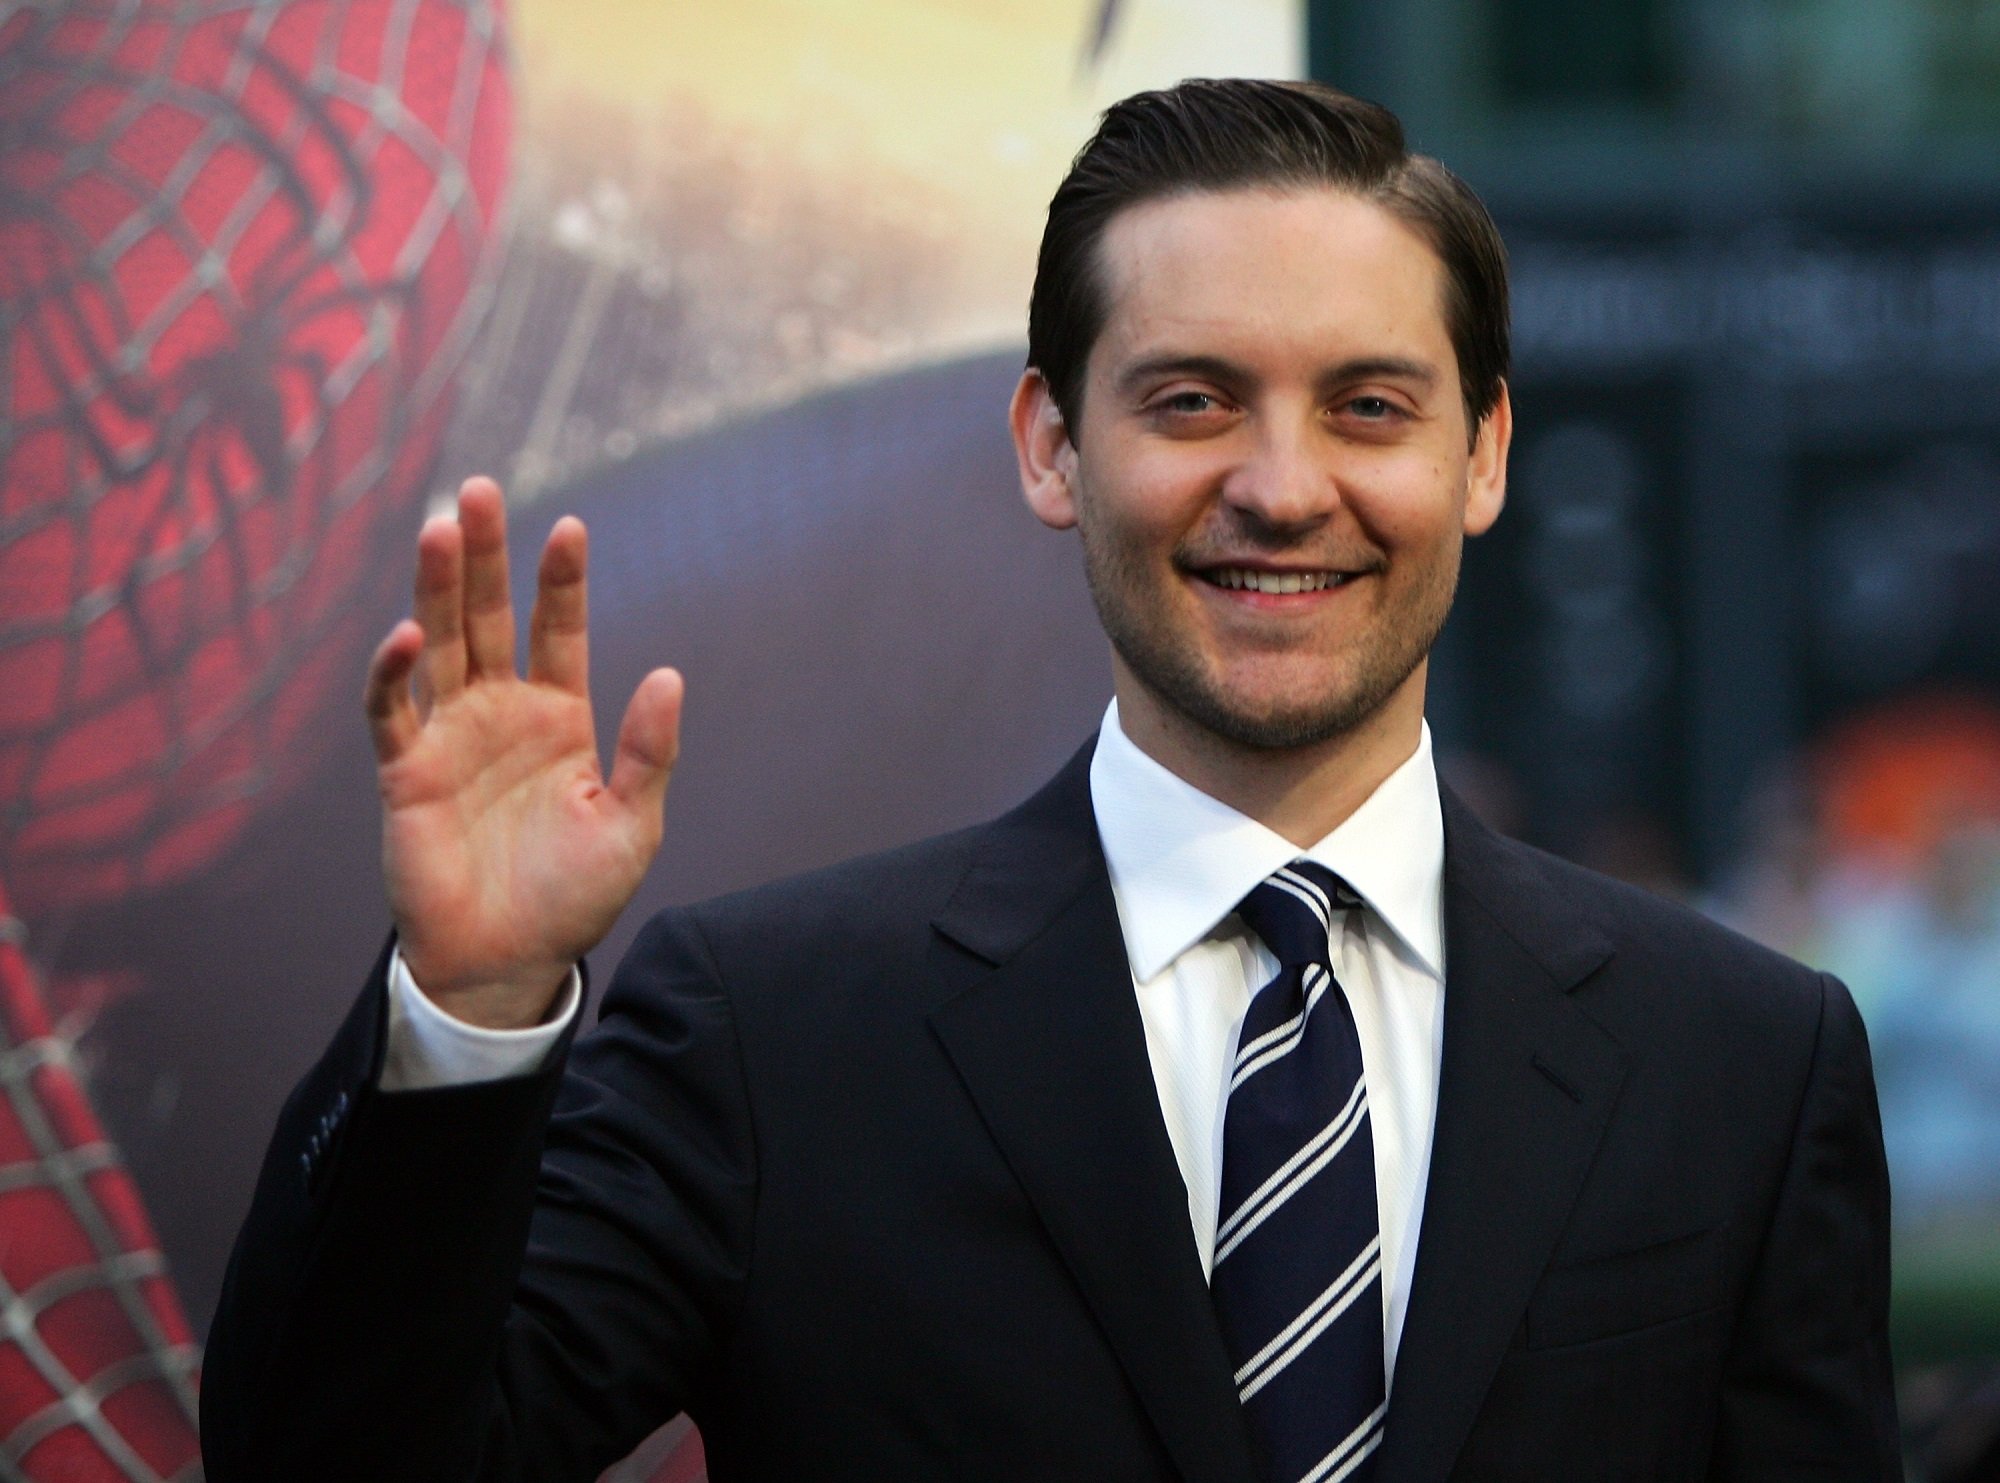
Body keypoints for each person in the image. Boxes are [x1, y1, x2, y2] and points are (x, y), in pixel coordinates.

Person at [201, 80, 1900, 1483]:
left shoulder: (1741, 1059)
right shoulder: (768, 1030)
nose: (1284, 486)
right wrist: (473, 1003)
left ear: (1484, 456)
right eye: (1192, 400)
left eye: (1369, 406)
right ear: (1048, 448)